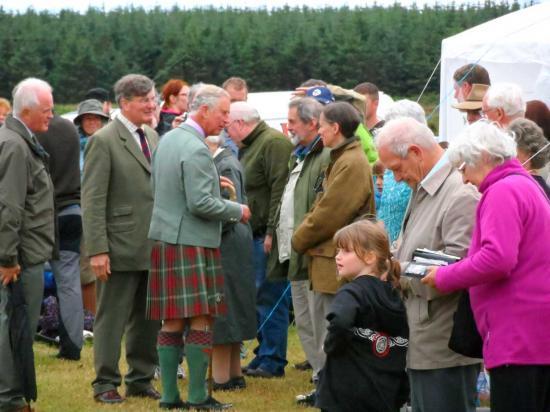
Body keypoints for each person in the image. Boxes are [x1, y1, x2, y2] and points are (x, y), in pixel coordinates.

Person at [422, 121, 550, 412]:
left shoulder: (503, 191)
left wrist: (445, 275)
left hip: (519, 337)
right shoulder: (525, 184)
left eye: (463, 167)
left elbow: (498, 258)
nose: (464, 179)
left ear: (482, 157)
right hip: (533, 333)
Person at [147, 85, 250, 410]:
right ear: (203, 110)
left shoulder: (169, 140)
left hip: (167, 238)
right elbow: (200, 204)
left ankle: (168, 397)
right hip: (192, 241)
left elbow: (162, 187)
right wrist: (238, 210)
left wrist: (209, 183)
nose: (225, 120)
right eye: (222, 113)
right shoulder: (196, 148)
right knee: (203, 318)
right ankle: (198, 396)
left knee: (172, 320)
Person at [376, 117, 481, 412]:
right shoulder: (424, 187)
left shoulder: (460, 193)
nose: (396, 178)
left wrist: (396, 270)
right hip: (424, 338)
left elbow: (458, 272)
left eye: (397, 168)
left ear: (416, 152)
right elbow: (410, 247)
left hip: (444, 346)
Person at [82, 74, 161, 404]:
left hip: (152, 245)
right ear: (124, 103)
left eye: (152, 98)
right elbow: (93, 199)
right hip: (117, 247)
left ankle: (141, 378)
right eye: (143, 100)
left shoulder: (154, 136)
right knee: (111, 318)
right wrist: (98, 249)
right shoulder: (104, 140)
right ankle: (105, 382)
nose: (150, 104)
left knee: (148, 319)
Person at [292, 101, 376, 404]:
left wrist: (298, 239)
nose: (320, 130)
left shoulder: (351, 163)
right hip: (329, 258)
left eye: (323, 125)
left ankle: (337, 393)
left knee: (336, 328)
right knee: (327, 328)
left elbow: (330, 212)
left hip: (337, 260)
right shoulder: (342, 158)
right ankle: (329, 389)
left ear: (336, 129)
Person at [266, 97, 331, 402]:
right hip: (294, 255)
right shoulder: (301, 155)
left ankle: (328, 384)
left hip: (313, 255)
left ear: (312, 123)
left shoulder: (325, 155)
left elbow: (323, 208)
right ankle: (320, 381)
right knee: (305, 321)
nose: (287, 127)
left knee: (320, 323)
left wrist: (301, 239)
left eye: (292, 122)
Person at [0, 77, 55, 412]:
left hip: (23, 253)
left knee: (13, 325)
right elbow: (10, 207)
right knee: (14, 328)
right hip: (20, 258)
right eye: (47, 110)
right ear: (27, 111)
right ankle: (10, 399)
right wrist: (7, 257)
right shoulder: (16, 146)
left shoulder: (17, 140)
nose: (51, 115)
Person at [227, 101, 293, 379]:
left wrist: (271, 231)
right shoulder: (252, 144)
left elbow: (281, 188)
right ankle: (263, 354)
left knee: (270, 295)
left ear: (241, 124)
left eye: (228, 126)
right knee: (259, 295)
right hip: (253, 234)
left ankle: (272, 360)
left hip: (265, 235)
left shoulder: (273, 143)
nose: (226, 131)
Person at [316, 220, 409, 412]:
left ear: (369, 257)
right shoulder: (394, 293)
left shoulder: (352, 292)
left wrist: (330, 346)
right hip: (384, 392)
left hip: (346, 395)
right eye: (338, 251)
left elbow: (340, 321)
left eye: (345, 251)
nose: (337, 257)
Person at [203, 133, 256, 392]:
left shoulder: (223, 165)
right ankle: (234, 374)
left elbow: (228, 210)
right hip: (236, 240)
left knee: (224, 310)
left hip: (228, 241)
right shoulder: (227, 160)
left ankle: (221, 378)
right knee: (231, 306)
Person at [36, 113, 84, 360]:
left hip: (43, 213)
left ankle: (21, 343)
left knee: (30, 279)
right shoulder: (68, 127)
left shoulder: (33, 129)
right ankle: (72, 346)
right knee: (69, 282)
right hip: (73, 210)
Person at [508, 118, 550, 198]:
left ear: (528, 155)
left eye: (512, 150)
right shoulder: (535, 182)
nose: (507, 156)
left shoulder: (525, 186)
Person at [221, 77, 248, 157]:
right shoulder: (213, 132)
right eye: (233, 101)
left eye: (241, 102)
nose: (238, 106)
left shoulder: (255, 132)